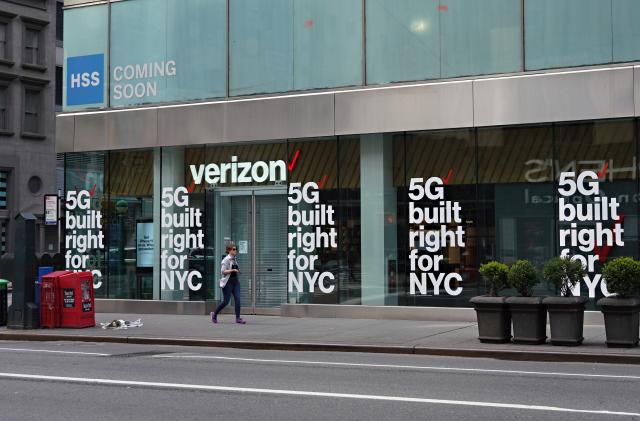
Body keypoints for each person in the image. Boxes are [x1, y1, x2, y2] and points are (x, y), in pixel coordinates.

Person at [211, 243, 246, 324]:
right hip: (228, 282)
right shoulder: (226, 260)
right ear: (229, 250)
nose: (235, 250)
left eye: (236, 249)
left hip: (235, 282)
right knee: (226, 301)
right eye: (233, 249)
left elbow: (235, 268)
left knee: (238, 299)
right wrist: (232, 270)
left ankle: (238, 318)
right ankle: (214, 314)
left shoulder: (234, 259)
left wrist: (238, 270)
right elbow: (223, 271)